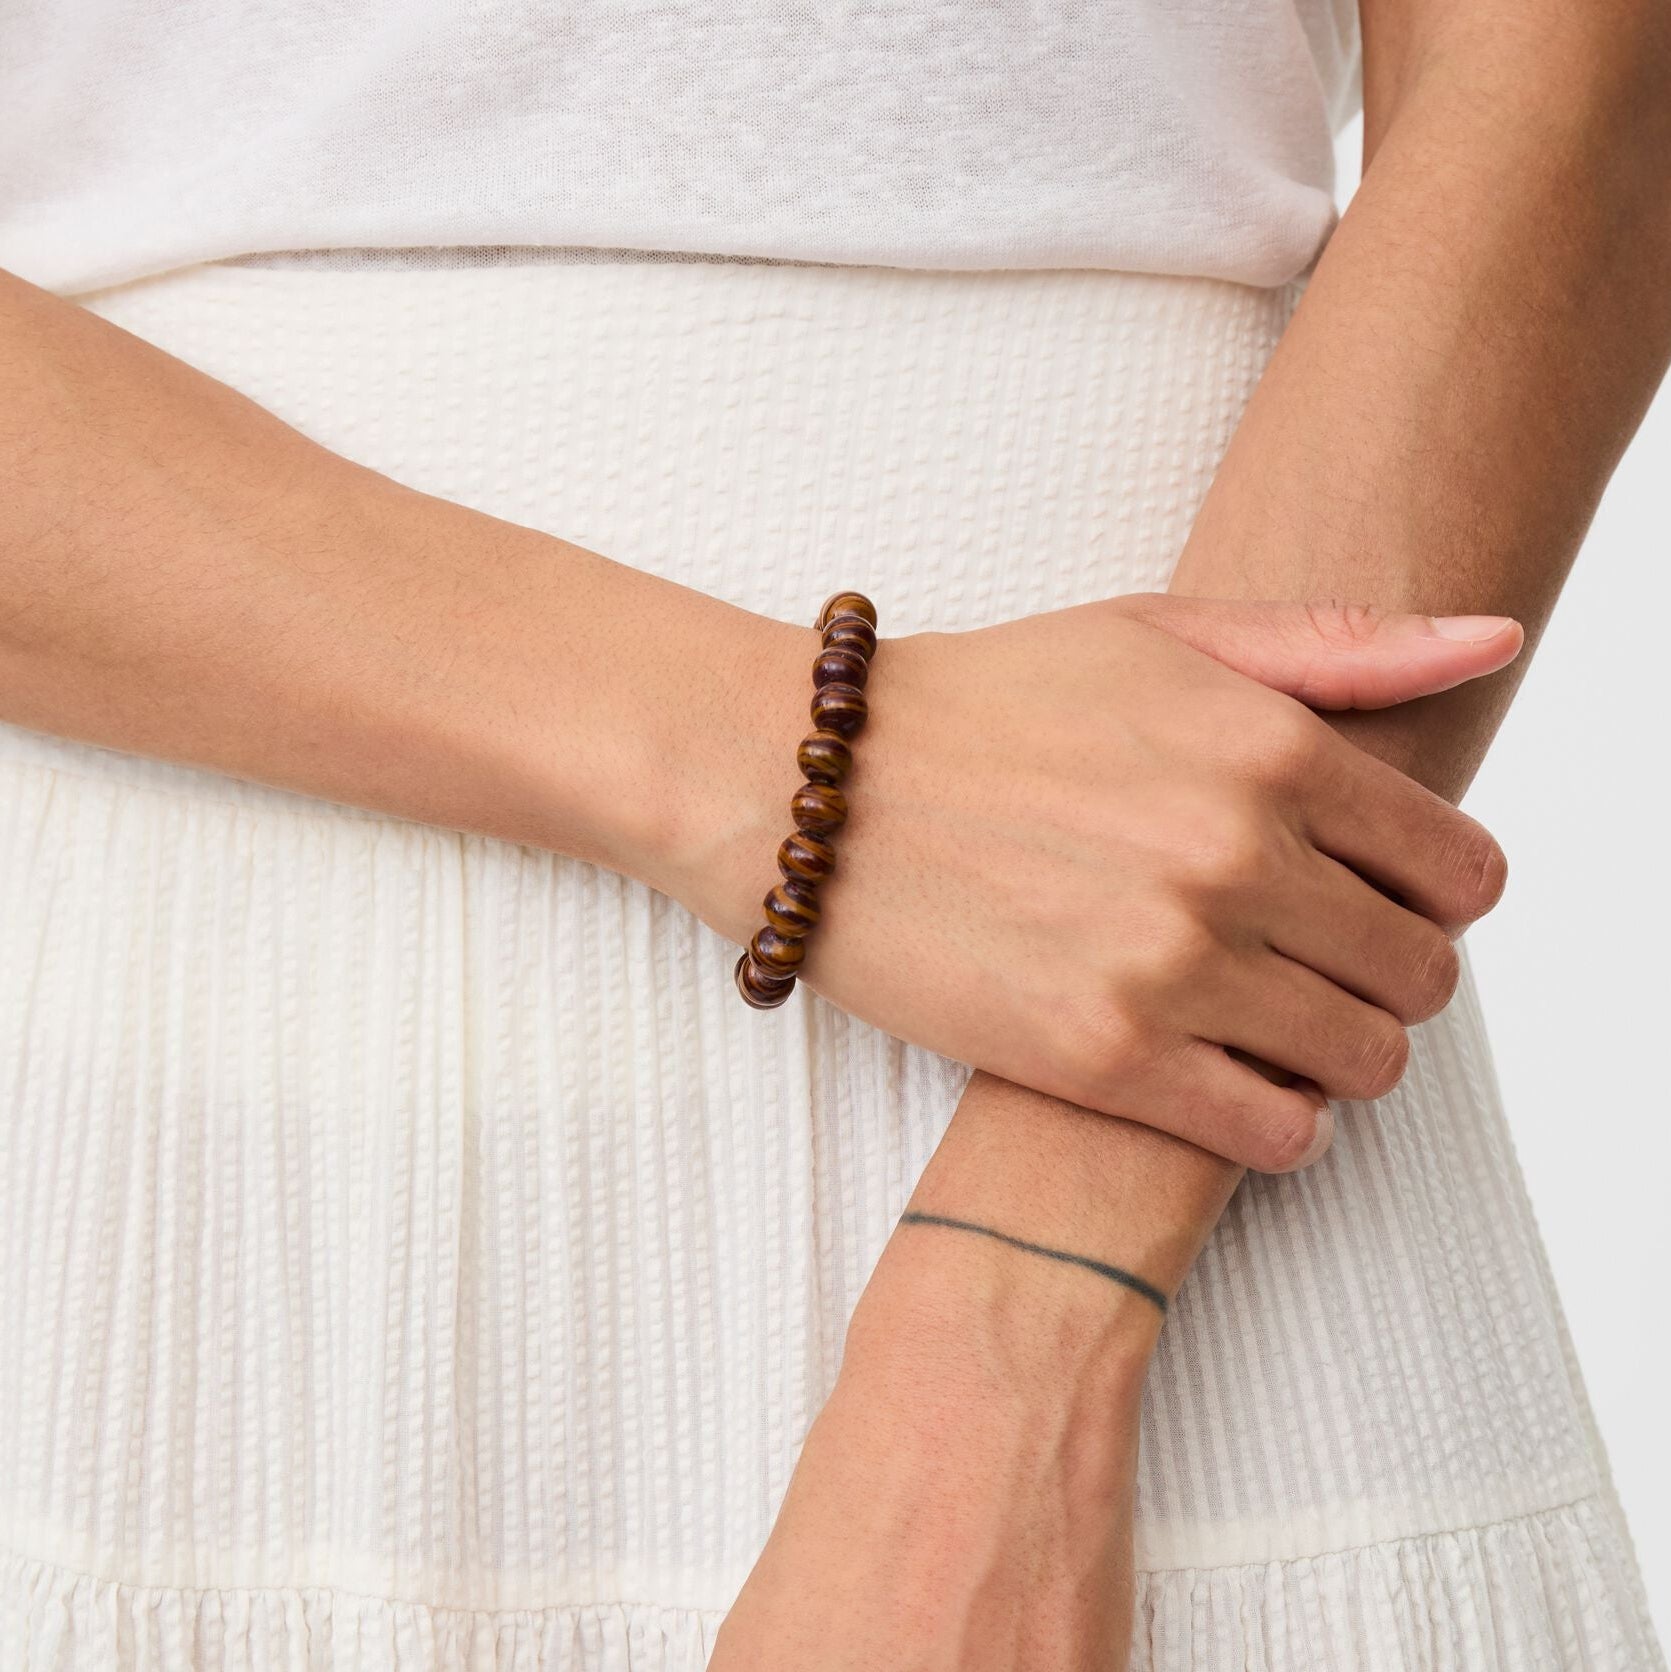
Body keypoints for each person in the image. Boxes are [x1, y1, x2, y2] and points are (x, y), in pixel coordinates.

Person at [0, 2, 1665, 1670]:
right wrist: (796, 761)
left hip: (1181, 1097)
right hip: (203, 1102)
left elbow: (1573, 85)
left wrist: (1021, 1331)